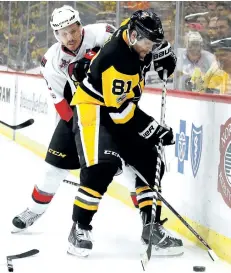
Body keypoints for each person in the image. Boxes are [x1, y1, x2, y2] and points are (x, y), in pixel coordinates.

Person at [68, 10, 183, 257]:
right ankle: (79, 228)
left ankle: (151, 227)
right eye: (146, 45)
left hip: (119, 106)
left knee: (151, 161)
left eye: (151, 44)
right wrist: (156, 130)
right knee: (101, 167)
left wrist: (163, 53)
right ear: (132, 36)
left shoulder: (133, 30)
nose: (147, 49)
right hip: (94, 108)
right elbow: (120, 114)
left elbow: (152, 38)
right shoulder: (118, 60)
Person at [11, 5, 116, 232]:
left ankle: (151, 223)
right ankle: (34, 210)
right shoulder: (51, 61)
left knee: (130, 167)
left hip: (114, 111)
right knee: (52, 168)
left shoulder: (104, 34)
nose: (69, 37)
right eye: (62, 33)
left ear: (80, 26)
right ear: (56, 35)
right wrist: (80, 131)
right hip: (78, 113)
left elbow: (129, 57)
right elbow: (61, 102)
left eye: (72, 30)